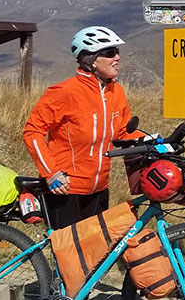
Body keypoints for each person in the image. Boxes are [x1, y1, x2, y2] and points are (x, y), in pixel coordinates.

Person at [23, 26, 135, 230]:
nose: (117, 57)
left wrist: (152, 141)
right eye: (110, 53)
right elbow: (33, 132)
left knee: (95, 254)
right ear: (91, 59)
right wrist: (51, 173)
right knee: (69, 257)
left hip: (99, 188)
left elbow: (123, 133)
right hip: (65, 190)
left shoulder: (116, 92)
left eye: (117, 52)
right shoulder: (64, 92)